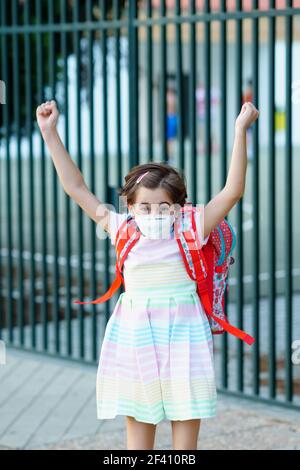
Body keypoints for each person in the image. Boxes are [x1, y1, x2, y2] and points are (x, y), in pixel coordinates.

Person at [36, 99, 259, 450]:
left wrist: (239, 131)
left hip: (185, 337)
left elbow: (233, 191)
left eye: (164, 206)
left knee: (184, 442)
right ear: (128, 204)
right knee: (138, 442)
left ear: (180, 206)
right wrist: (50, 134)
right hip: (135, 336)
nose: (155, 213)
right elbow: (76, 188)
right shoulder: (120, 227)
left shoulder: (192, 226)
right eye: (145, 206)